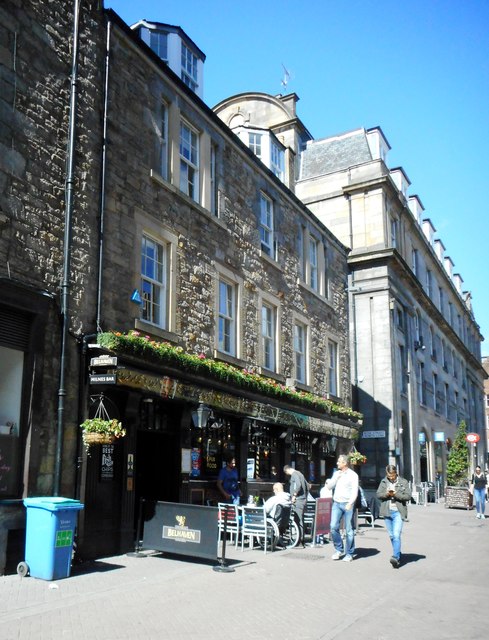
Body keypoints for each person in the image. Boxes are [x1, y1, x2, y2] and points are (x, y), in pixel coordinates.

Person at [324, 454, 359, 562]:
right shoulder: (336, 473)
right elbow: (329, 487)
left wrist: (351, 502)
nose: (337, 463)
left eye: (339, 461)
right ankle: (339, 549)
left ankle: (349, 553)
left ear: (345, 463)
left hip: (348, 504)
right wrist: (336, 478)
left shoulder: (353, 475)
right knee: (333, 526)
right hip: (337, 503)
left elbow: (354, 491)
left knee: (349, 530)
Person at [376, 465, 412, 568]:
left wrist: (396, 495)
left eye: (392, 475)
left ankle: (395, 557)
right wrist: (387, 494)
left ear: (396, 473)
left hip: (398, 512)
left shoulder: (403, 482)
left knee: (396, 535)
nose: (391, 477)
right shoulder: (383, 482)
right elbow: (378, 494)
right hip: (387, 512)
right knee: (391, 536)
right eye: (388, 475)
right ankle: (398, 553)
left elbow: (408, 496)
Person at [283, 464, 309, 546]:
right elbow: (308, 486)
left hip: (298, 500)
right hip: (303, 499)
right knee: (301, 519)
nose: (288, 475)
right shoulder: (300, 473)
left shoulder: (294, 474)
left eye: (287, 473)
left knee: (298, 519)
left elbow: (298, 485)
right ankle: (301, 539)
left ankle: (299, 540)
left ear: (287, 470)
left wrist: (294, 495)